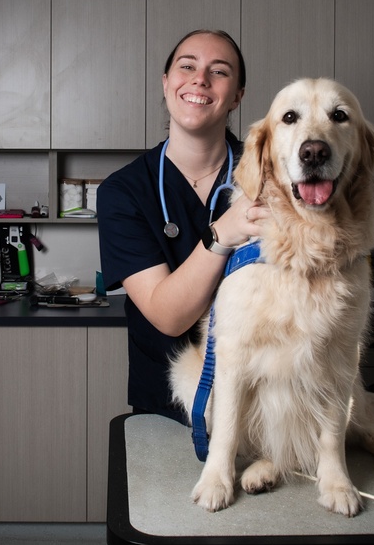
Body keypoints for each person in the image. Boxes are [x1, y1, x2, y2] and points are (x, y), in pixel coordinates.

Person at [97, 29, 268, 423]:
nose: (199, 79)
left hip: (262, 396)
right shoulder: (123, 192)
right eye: (186, 66)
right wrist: (226, 231)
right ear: (166, 82)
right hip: (168, 402)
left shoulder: (268, 174)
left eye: (219, 71)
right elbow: (168, 316)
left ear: (238, 95)